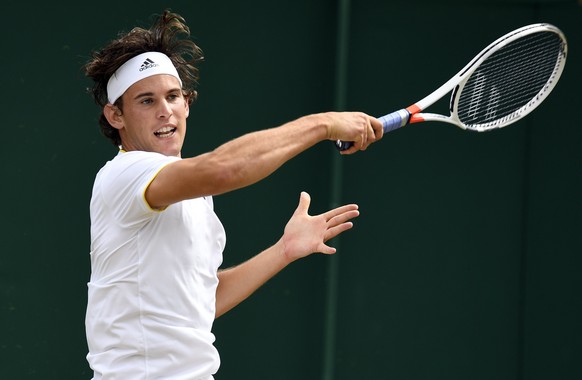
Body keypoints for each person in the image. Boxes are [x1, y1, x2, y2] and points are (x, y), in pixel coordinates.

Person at [84, 9, 383, 380]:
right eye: (146, 101)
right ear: (116, 116)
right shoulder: (126, 173)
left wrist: (284, 250)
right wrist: (322, 124)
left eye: (173, 96)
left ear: (187, 103)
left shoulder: (194, 197)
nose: (165, 111)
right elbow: (225, 168)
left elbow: (202, 302)